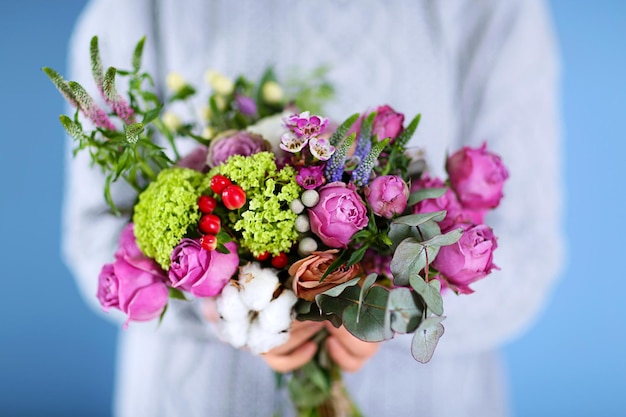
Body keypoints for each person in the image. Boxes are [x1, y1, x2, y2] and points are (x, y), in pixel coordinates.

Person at [62, 0, 564, 416]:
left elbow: (526, 251)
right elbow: (93, 238)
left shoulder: (495, 9)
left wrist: (390, 310)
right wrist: (235, 306)